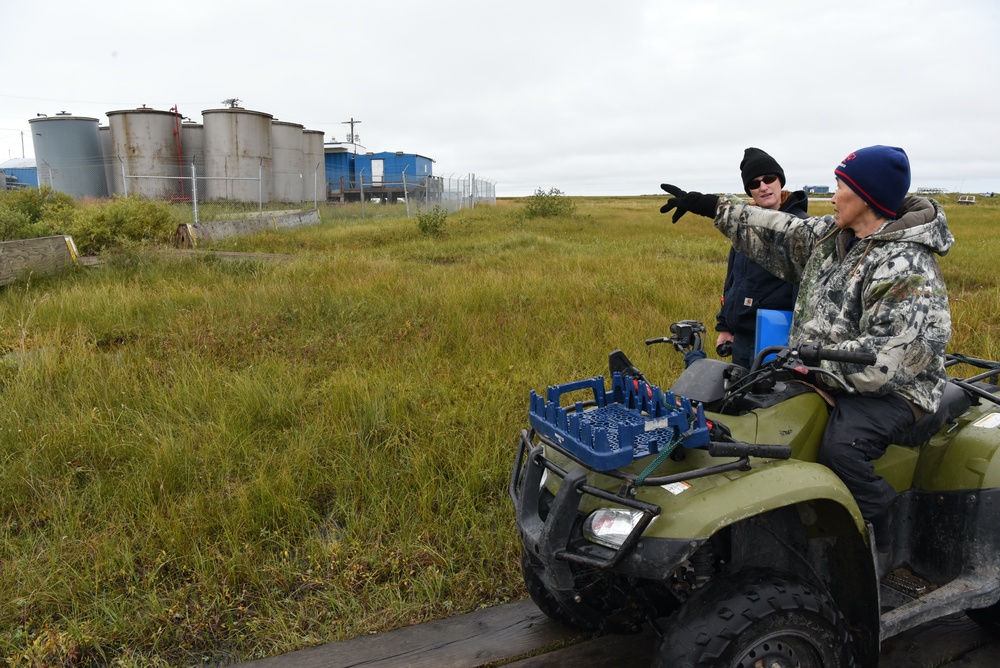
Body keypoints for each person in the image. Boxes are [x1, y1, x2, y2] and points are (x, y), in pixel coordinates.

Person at [659, 145, 954, 556]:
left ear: (867, 198)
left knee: (841, 448)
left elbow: (886, 361)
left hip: (898, 390)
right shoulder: (836, 237)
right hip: (821, 370)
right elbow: (777, 228)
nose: (832, 197)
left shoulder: (906, 267)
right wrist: (713, 207)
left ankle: (885, 534)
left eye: (840, 187)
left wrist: (811, 364)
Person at [715, 148, 808, 369]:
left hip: (778, 343)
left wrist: (798, 347)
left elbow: (805, 295)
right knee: (738, 400)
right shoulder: (744, 227)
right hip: (743, 340)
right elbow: (733, 280)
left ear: (780, 181)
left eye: (769, 179)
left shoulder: (802, 229)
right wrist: (725, 326)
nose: (763, 187)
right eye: (755, 184)